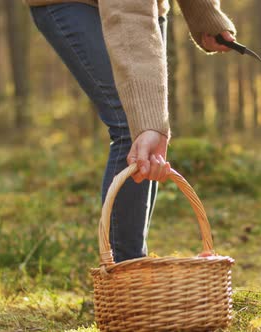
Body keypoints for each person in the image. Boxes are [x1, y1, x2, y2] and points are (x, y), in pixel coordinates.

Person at [26, 0, 236, 262]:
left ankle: (133, 272)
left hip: (145, 7)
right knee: (134, 123)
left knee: (150, 129)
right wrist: (146, 123)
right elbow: (127, 10)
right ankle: (124, 277)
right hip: (81, 4)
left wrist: (205, 15)